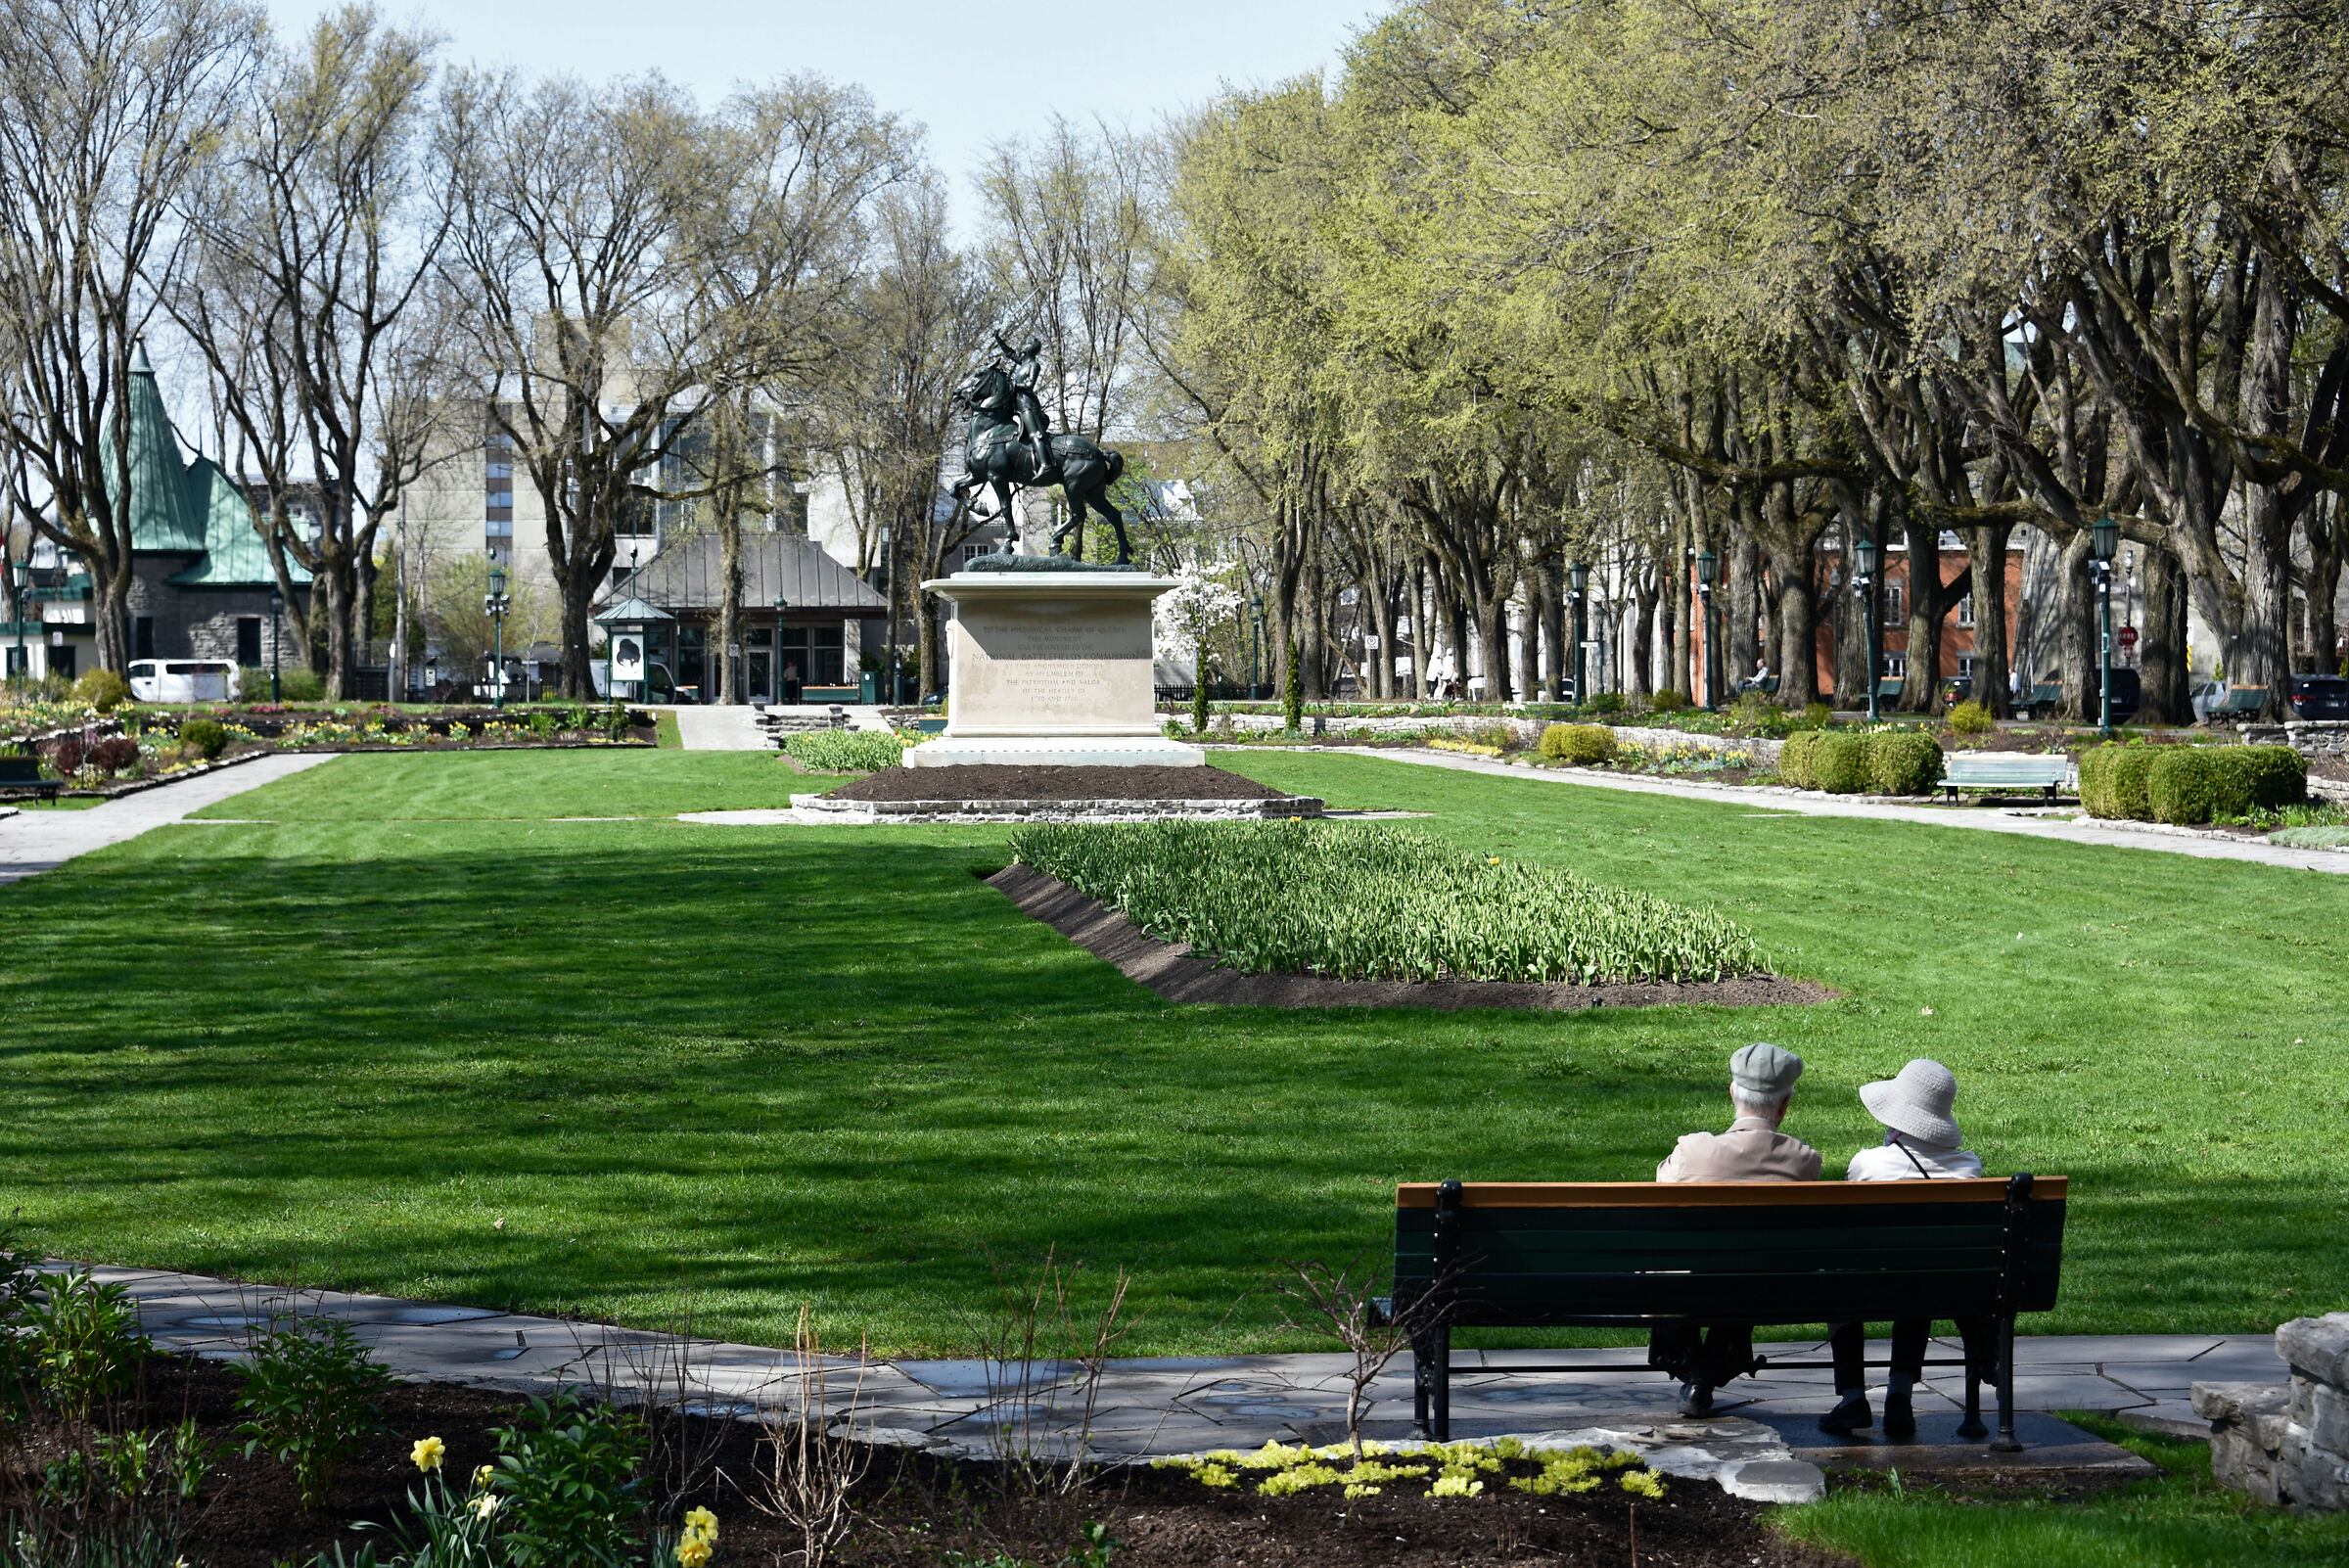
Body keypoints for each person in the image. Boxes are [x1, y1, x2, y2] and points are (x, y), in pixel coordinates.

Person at [1818, 1059, 1994, 1440]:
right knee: (1921, 1274)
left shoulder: (1868, 1164)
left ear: (1897, 1117)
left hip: (1867, 1286)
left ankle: (1852, 1398)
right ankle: (1899, 1394)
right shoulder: (1969, 1168)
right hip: (1939, 1289)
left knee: (1843, 1278)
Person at [1648, 1043, 1821, 1415]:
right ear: (1786, 1104)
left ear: (1732, 1093)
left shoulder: (1692, 1150)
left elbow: (1660, 1194)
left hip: (1689, 1287)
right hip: (1766, 1290)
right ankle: (1706, 1371)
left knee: (1678, 1267)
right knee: (1752, 1272)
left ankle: (1696, 1370)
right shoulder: (1804, 1161)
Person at [990, 329, 1053, 477]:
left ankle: (1046, 464)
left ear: (1031, 348)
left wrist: (1012, 385)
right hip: (1017, 404)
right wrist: (998, 339)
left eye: (1027, 344)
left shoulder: (1033, 365)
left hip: (1027, 404)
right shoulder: (1023, 363)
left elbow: (1030, 385)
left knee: (1034, 433)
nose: (1023, 346)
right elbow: (1009, 353)